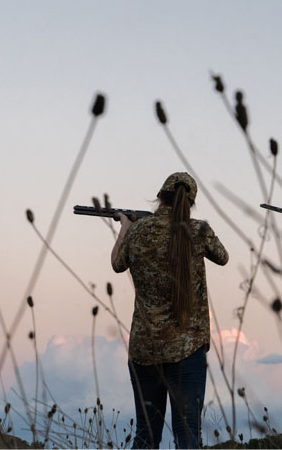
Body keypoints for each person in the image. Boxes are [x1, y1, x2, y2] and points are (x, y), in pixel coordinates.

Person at [111, 172, 229, 448]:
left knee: (145, 435)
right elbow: (222, 257)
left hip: (144, 350)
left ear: (159, 196)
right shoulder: (198, 230)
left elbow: (117, 263)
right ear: (191, 202)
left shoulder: (140, 231)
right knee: (187, 435)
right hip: (187, 350)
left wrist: (126, 226)